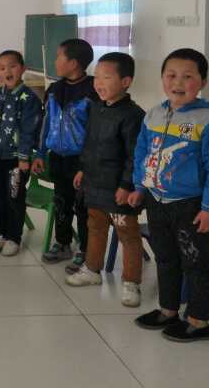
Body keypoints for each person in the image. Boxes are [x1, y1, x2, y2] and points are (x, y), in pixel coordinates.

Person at [129, 49, 209, 342]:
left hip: (191, 206)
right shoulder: (153, 114)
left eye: (188, 76)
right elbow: (142, 154)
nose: (178, 82)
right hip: (156, 201)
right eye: (171, 75)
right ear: (162, 78)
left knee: (195, 263)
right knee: (165, 258)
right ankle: (169, 310)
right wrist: (139, 187)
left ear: (203, 82)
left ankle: (199, 322)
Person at [65, 53, 145, 308]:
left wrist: (126, 185)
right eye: (96, 77)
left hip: (118, 189)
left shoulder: (133, 115)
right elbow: (89, 144)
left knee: (128, 235)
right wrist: (83, 169)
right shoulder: (96, 108)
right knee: (96, 228)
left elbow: (135, 156)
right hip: (95, 184)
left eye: (106, 77)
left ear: (126, 82)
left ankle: (131, 282)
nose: (98, 83)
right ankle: (92, 269)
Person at [33, 38, 97, 270]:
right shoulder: (54, 90)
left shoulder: (93, 90)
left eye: (59, 56)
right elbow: (46, 123)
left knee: (83, 207)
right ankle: (62, 243)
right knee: (61, 202)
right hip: (58, 157)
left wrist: (87, 164)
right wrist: (40, 153)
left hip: (82, 161)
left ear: (74, 63)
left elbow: (96, 132)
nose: (55, 61)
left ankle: (86, 249)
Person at [0, 50, 42, 256]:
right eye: (3, 68)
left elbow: (29, 131)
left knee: (14, 197)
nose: (8, 71)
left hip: (16, 160)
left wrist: (24, 157)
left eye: (12, 66)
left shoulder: (29, 98)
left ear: (22, 69)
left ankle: (14, 237)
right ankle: (0, 233)